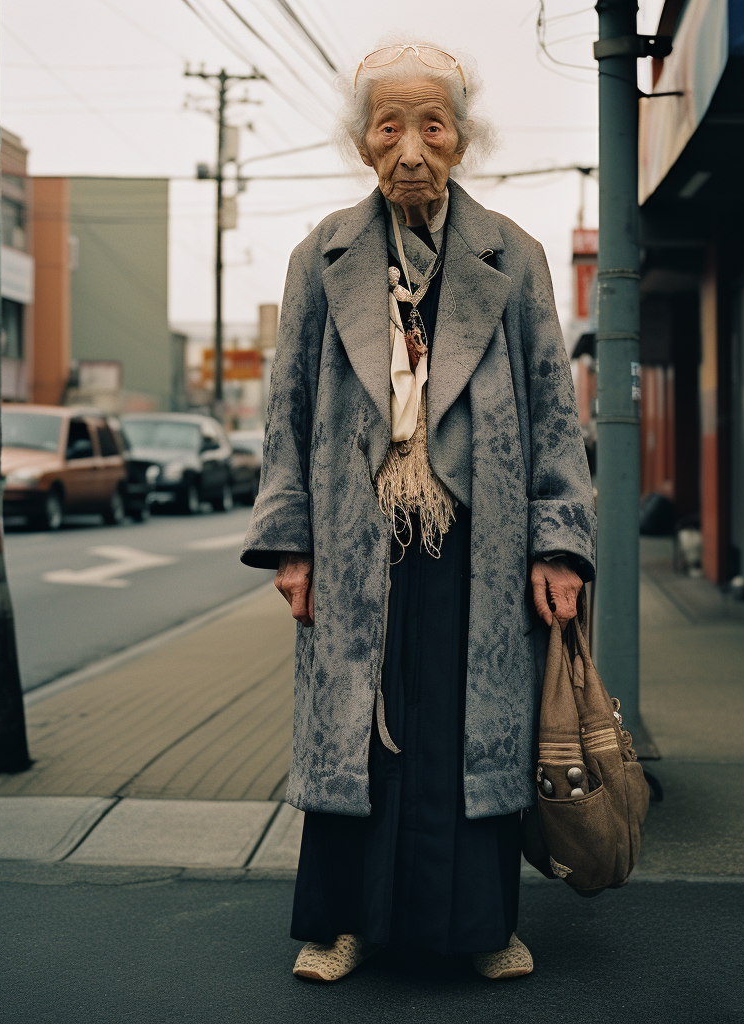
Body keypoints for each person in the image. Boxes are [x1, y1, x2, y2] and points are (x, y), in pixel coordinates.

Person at [241, 41, 595, 982]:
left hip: (481, 542)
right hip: (357, 539)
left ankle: (482, 926)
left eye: (431, 125)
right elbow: (286, 411)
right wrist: (291, 545)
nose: (410, 148)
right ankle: (340, 923)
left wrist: (558, 541)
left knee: (463, 728)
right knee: (355, 726)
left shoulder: (511, 255)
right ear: (362, 141)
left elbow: (556, 406)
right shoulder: (321, 257)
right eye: (389, 126)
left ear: (462, 139)